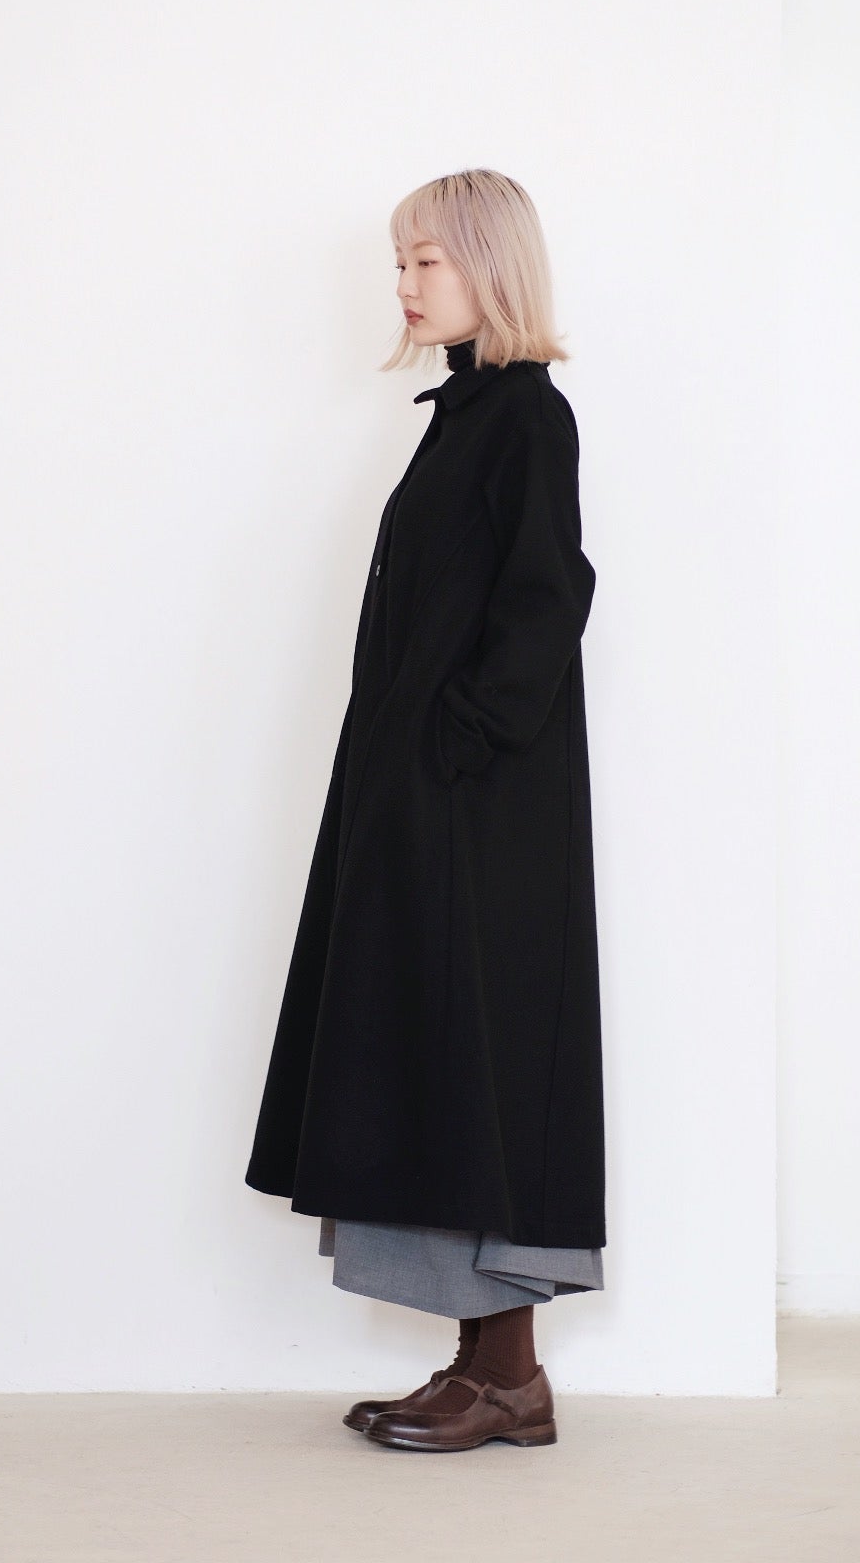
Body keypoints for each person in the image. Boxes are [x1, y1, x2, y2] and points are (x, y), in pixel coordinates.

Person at [245, 168, 606, 1452]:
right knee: (436, 1056)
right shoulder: (462, 416)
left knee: (478, 1062)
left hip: (479, 811)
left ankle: (507, 1379)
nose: (401, 284)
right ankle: (487, 1370)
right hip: (427, 798)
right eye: (397, 262)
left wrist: (455, 748)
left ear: (488, 267)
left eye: (425, 261)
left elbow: (546, 599)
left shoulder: (526, 418)